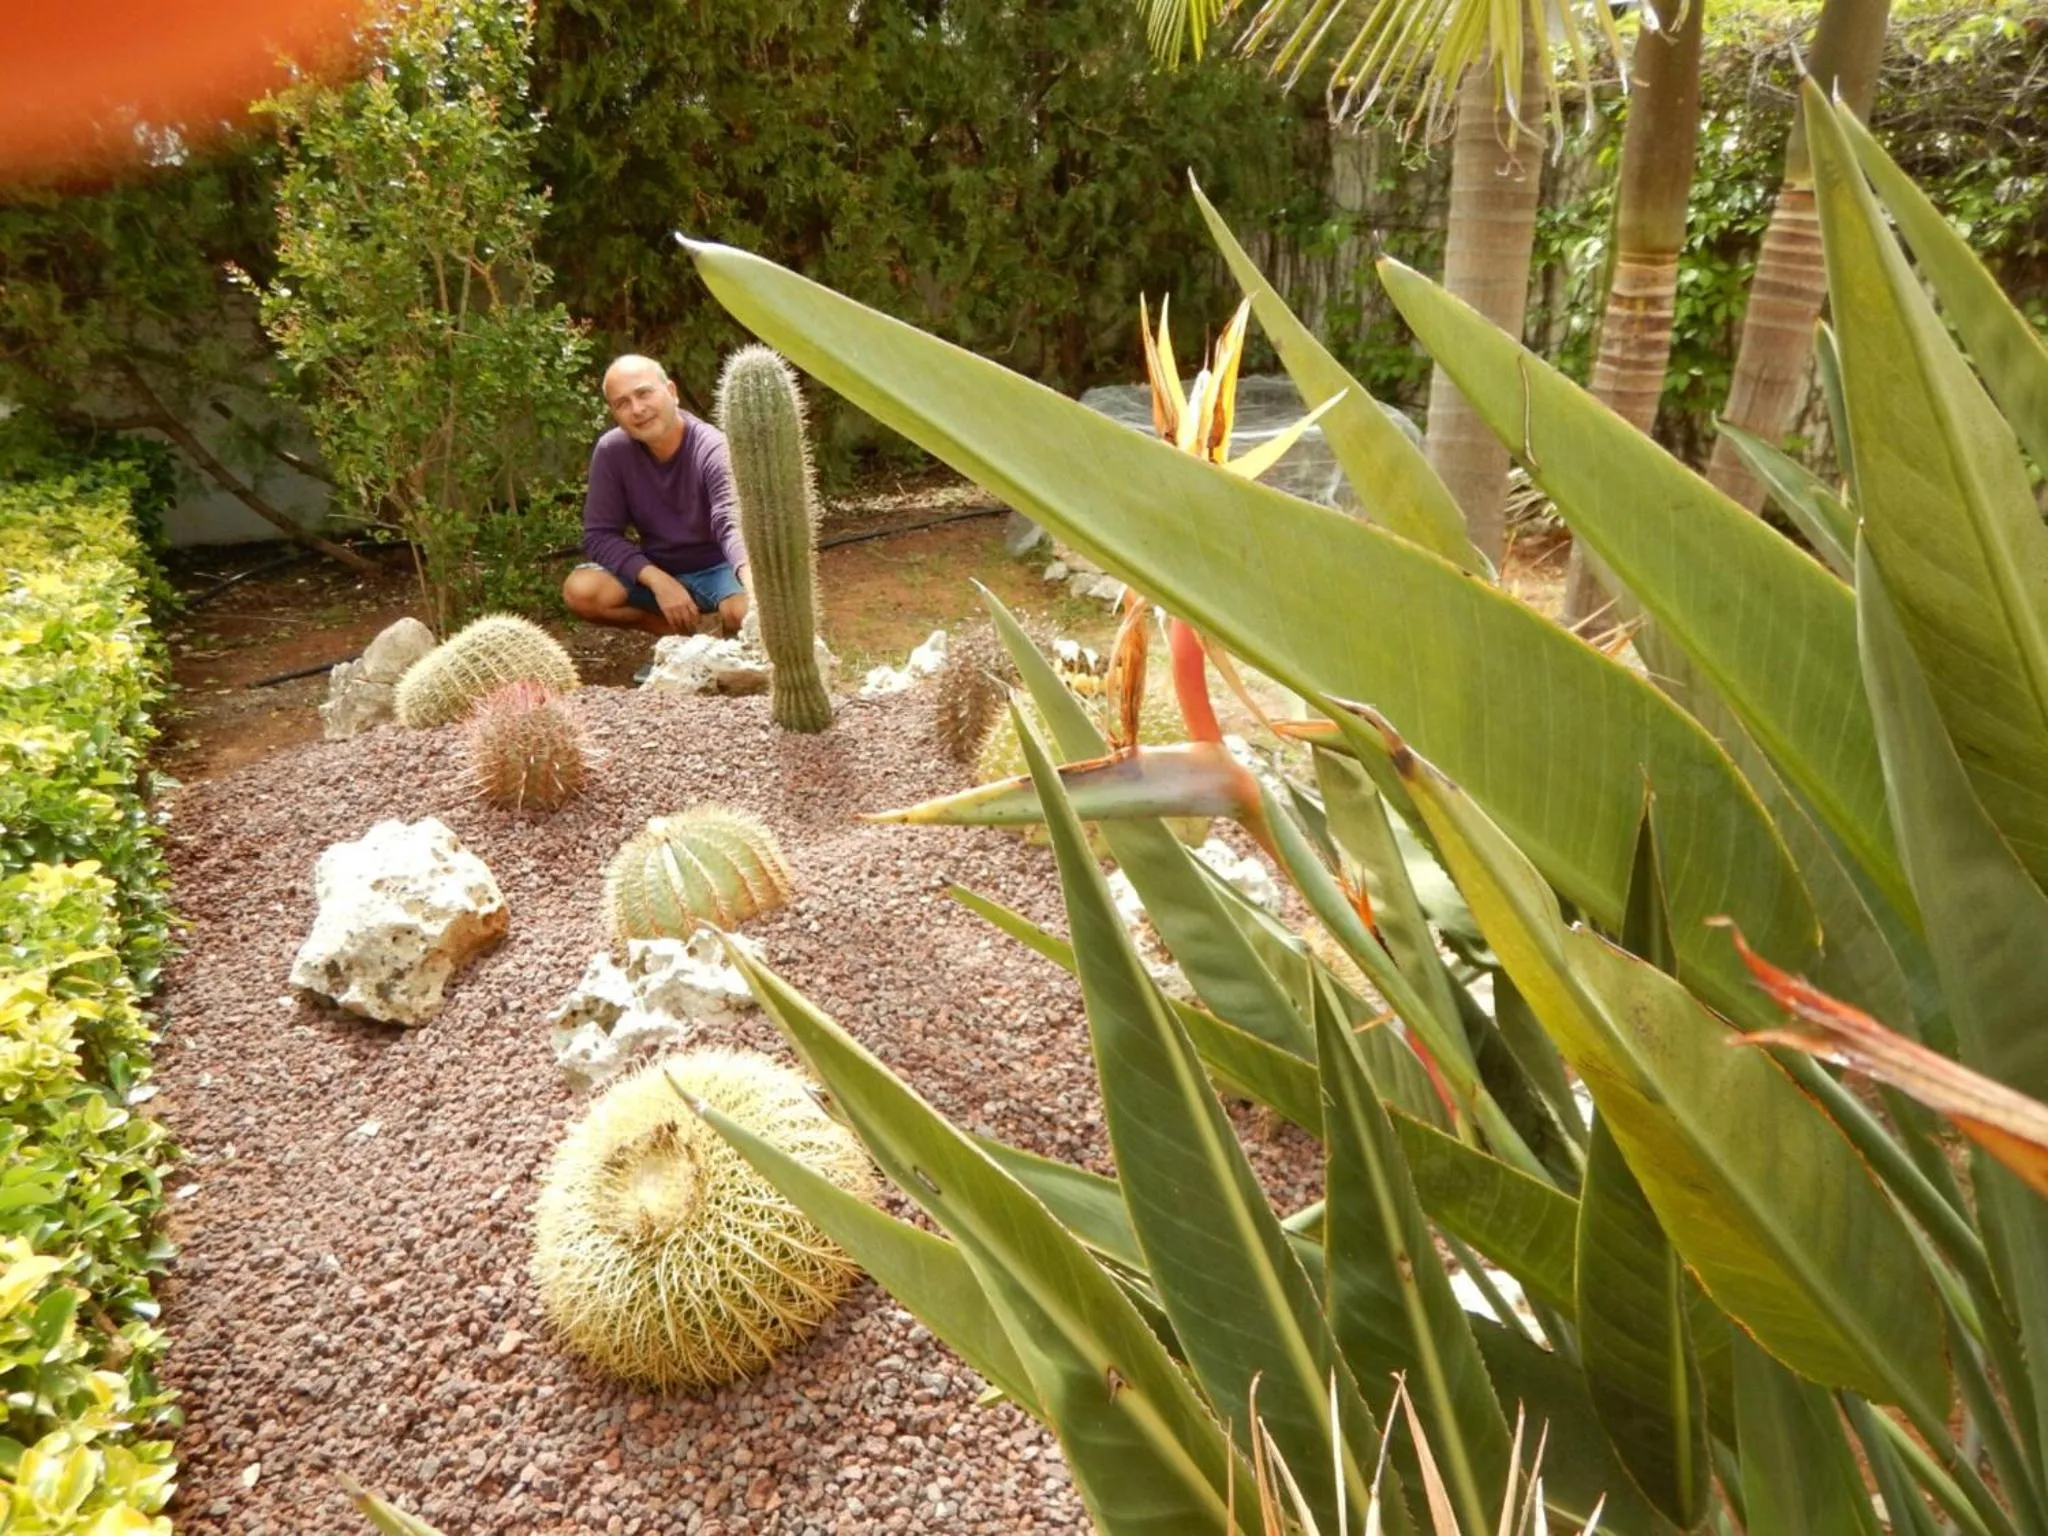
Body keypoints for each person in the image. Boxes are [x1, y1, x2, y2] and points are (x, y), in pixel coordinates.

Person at [563, 354, 752, 638]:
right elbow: (599, 534)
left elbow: (731, 524)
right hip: (658, 566)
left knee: (745, 610)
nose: (637, 409)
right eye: (622, 403)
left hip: (719, 568)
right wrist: (656, 579)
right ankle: (672, 640)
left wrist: (754, 586)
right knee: (582, 590)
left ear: (672, 392)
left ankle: (728, 654)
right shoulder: (612, 452)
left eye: (643, 393)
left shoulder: (712, 448)